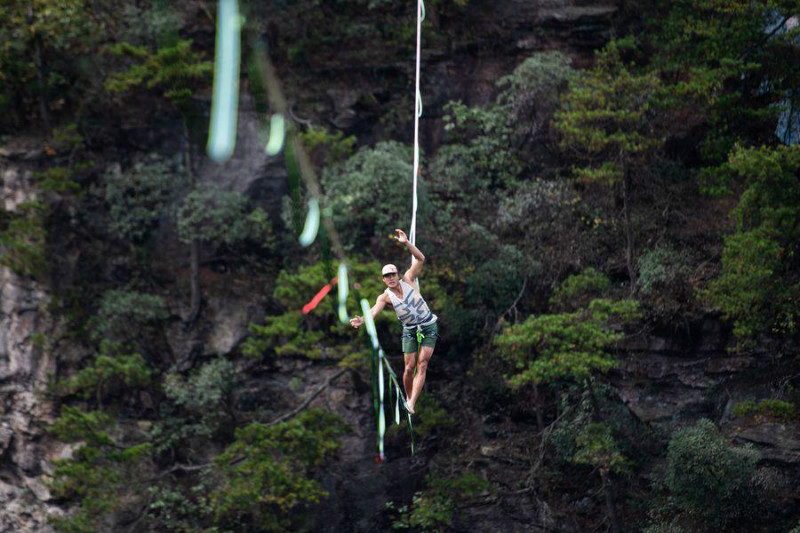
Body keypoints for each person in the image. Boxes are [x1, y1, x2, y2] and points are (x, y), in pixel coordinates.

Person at [349, 229, 438, 414]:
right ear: (383, 279)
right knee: (408, 368)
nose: (391, 278)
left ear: (397, 274)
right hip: (410, 329)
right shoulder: (385, 297)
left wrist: (406, 243)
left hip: (428, 324)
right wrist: (363, 320)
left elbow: (421, 259)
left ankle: (412, 402)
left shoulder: (409, 279)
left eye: (393, 274)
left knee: (422, 364)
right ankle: (408, 396)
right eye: (387, 276)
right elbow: (374, 311)